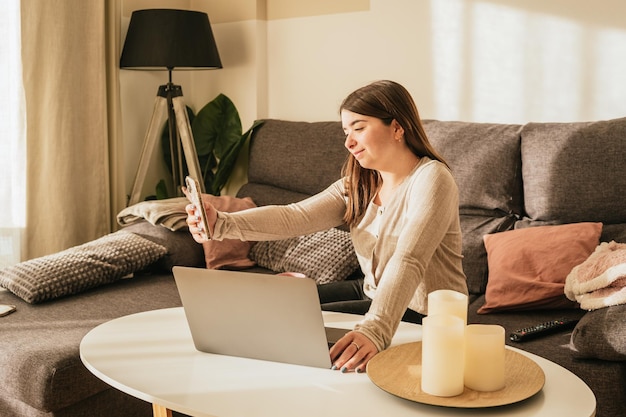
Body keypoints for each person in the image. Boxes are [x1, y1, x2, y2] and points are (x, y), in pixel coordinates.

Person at [185, 80, 468, 373]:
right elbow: (294, 216)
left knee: (292, 325)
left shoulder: (432, 178)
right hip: (370, 290)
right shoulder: (360, 183)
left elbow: (409, 259)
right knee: (273, 306)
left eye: (359, 128)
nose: (348, 142)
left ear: (397, 128)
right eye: (346, 132)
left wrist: (375, 329)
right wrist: (221, 224)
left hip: (426, 313)